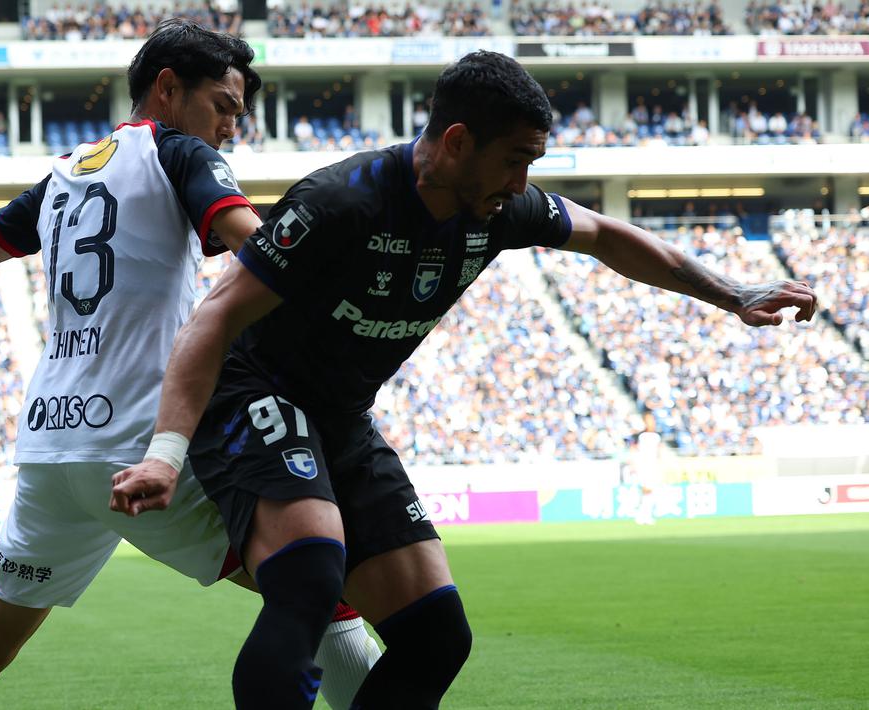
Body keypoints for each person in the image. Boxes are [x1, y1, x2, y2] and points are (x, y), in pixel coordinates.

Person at [110, 50, 819, 708]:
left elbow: (605, 235)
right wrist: (165, 452)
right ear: (454, 143)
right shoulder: (340, 202)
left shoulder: (502, 209)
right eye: (513, 161)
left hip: (341, 416)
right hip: (254, 393)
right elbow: (213, 318)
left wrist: (732, 294)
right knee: (309, 575)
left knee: (436, 635)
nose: (522, 184)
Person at [0, 20, 378, 710]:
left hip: (52, 449)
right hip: (144, 448)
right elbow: (254, 245)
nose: (232, 127)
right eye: (224, 107)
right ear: (168, 89)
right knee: (320, 591)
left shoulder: (63, 176)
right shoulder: (179, 153)